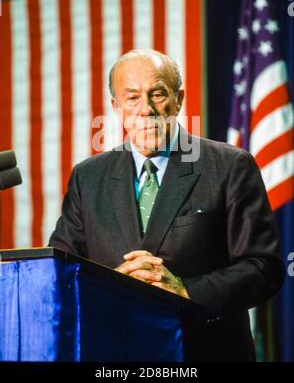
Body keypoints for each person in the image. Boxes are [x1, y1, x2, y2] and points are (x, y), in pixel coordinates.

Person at [49, 49, 285, 361]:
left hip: (206, 351)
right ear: (115, 106)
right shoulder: (88, 177)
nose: (146, 109)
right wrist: (113, 286)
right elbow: (61, 271)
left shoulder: (229, 166)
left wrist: (184, 289)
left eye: (157, 94)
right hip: (116, 353)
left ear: (179, 99)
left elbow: (263, 268)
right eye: (132, 97)